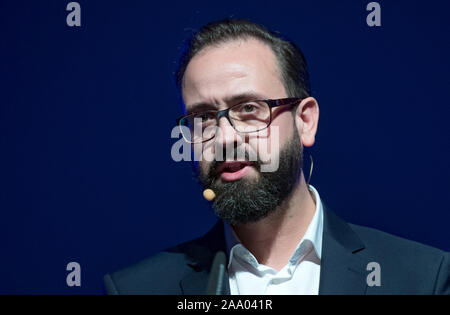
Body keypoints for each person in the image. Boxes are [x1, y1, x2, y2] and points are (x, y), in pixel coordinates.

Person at [103, 19, 449, 295]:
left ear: (305, 121)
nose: (224, 138)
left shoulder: (420, 279)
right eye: (203, 117)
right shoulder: (138, 288)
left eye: (249, 108)